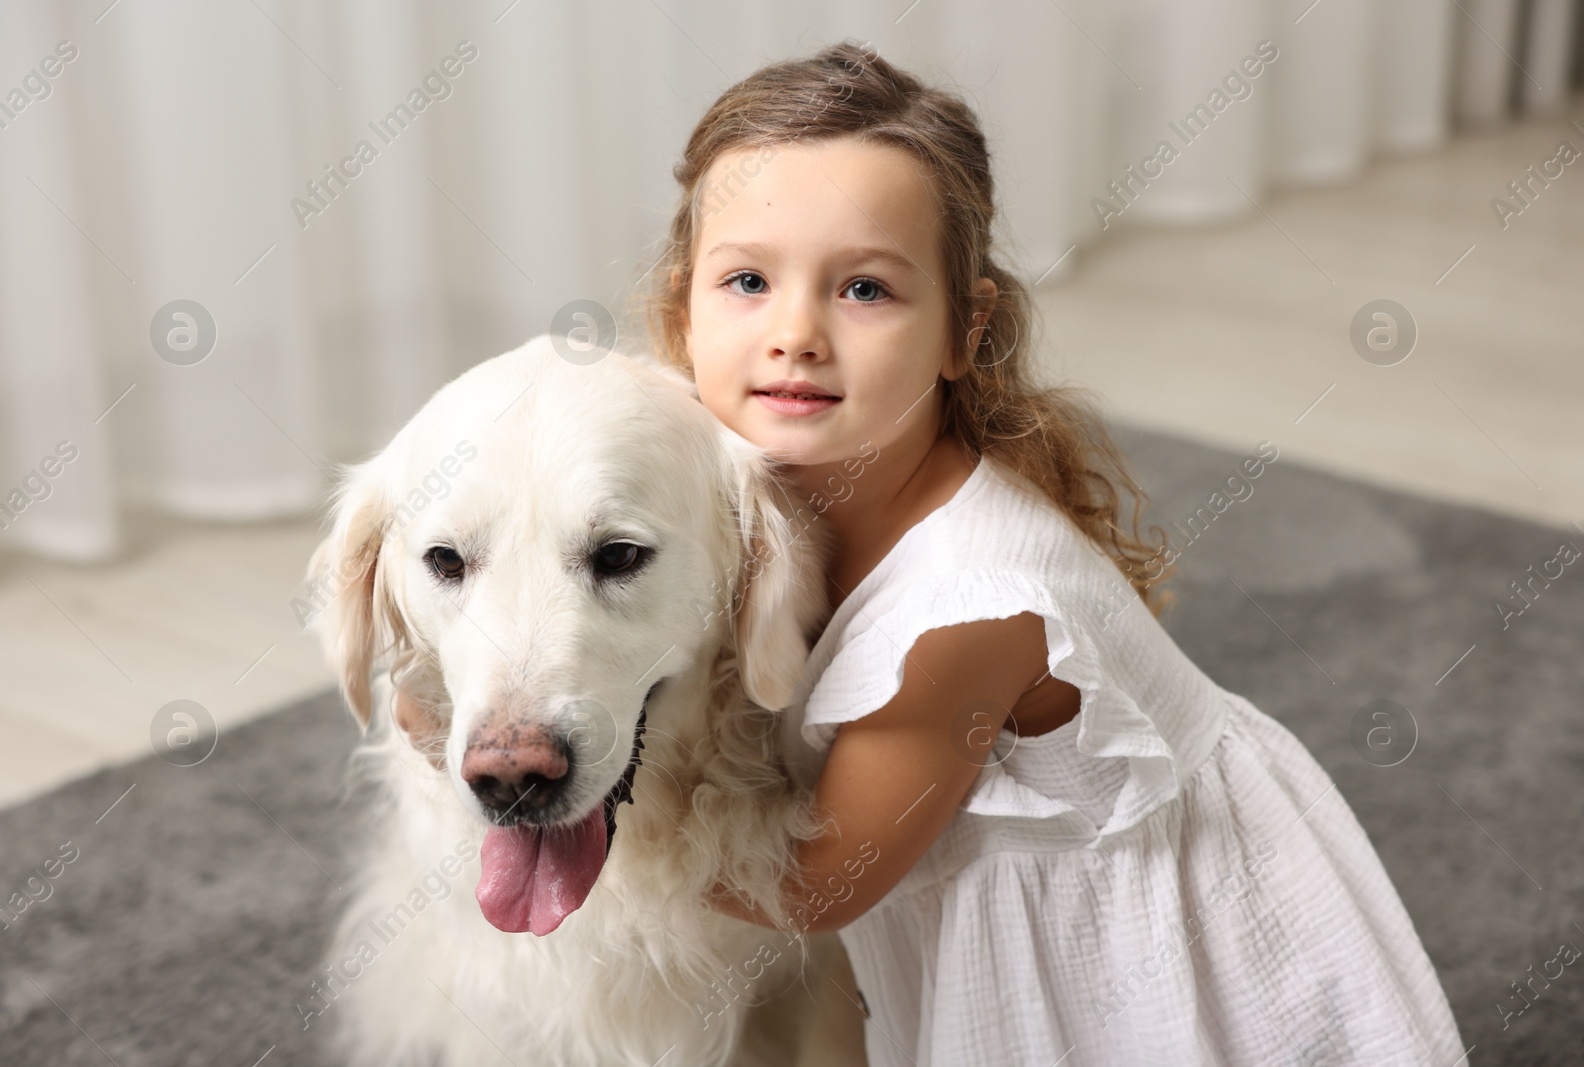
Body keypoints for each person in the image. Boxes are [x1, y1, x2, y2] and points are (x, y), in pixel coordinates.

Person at [629, 40, 1469, 1067]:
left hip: (1127, 963)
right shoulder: (755, 482)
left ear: (961, 332)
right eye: (748, 280)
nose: (795, 331)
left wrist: (595, 822)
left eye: (864, 291)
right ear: (683, 312)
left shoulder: (963, 615)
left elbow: (817, 885)